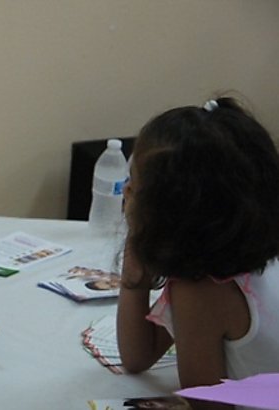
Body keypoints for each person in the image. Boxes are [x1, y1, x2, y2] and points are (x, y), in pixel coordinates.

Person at [116, 97, 279, 409]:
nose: (125, 192)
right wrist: (134, 268)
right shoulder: (235, 254)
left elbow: (207, 404)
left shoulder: (201, 293)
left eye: (134, 186)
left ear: (173, 213)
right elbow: (138, 356)